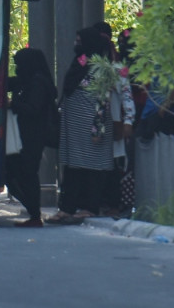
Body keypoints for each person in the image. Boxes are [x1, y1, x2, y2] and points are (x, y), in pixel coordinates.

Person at [48, 26, 119, 224]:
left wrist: (97, 129)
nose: (75, 44)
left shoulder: (101, 68)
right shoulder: (80, 64)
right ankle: (67, 208)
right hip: (75, 128)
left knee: (93, 170)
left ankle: (90, 208)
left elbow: (103, 100)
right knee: (73, 169)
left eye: (79, 41)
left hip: (92, 127)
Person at [5, 48, 58, 228]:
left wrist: (14, 104)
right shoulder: (29, 80)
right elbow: (11, 83)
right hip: (27, 135)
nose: (18, 67)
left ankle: (35, 214)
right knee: (20, 172)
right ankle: (33, 212)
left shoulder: (38, 83)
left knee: (26, 173)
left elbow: (33, 108)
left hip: (33, 136)